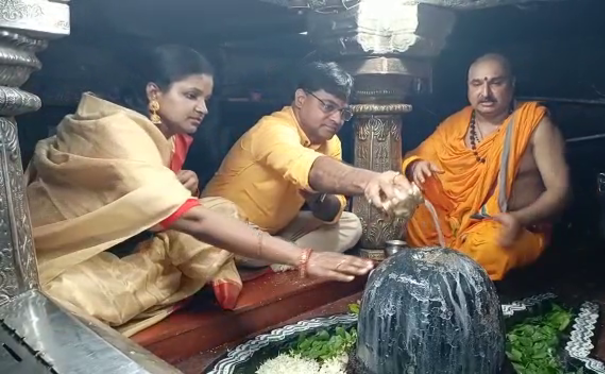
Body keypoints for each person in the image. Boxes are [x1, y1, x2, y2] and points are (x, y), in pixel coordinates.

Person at [24, 45, 375, 337]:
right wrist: (305, 258)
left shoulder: (169, 135)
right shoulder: (118, 131)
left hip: (227, 231)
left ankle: (244, 262)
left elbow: (330, 209)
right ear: (153, 93)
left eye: (205, 98)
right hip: (63, 255)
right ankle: (247, 263)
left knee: (344, 223)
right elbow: (187, 216)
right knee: (77, 297)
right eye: (191, 95)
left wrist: (176, 181)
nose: (203, 109)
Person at [203, 61, 418, 270]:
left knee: (350, 224)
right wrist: (372, 180)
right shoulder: (273, 129)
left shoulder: (331, 142)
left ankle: (279, 256)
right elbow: (312, 167)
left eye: (343, 113)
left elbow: (332, 210)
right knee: (235, 239)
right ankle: (278, 254)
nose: (336, 119)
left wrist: (318, 199)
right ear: (300, 99)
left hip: (276, 230)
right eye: (328, 106)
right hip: (224, 230)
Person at [403, 53, 570, 281]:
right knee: (413, 210)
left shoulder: (534, 124)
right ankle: (438, 271)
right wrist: (416, 166)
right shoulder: (456, 124)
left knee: (488, 247)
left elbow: (560, 192)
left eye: (496, 82)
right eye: (477, 84)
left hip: (512, 227)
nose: (486, 93)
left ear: (511, 85)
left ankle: (458, 281)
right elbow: (415, 157)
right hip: (455, 225)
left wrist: (519, 218)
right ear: (468, 88)